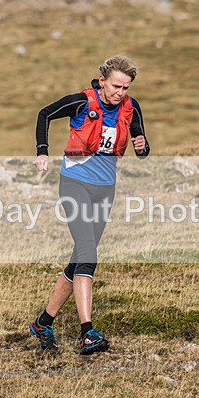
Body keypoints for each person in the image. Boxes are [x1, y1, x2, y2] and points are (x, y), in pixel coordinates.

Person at [29, 55, 150, 355]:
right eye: (115, 86)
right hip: (75, 185)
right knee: (88, 255)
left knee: (78, 260)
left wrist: (143, 146)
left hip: (105, 191)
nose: (120, 92)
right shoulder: (82, 102)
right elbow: (45, 113)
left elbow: (142, 146)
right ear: (103, 81)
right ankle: (87, 332)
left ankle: (44, 323)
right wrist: (42, 151)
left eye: (126, 87)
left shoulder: (131, 108)